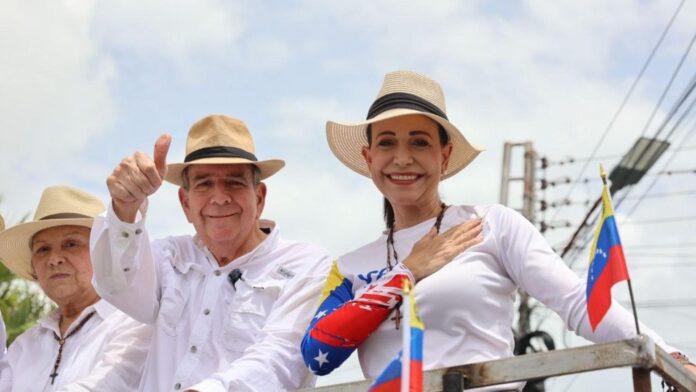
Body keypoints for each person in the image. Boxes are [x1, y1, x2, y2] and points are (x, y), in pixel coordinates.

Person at [301, 70, 695, 389]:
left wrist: (670, 357)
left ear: (445, 154)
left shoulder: (492, 225)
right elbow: (318, 353)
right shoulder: (350, 267)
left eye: (419, 143)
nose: (402, 158)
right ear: (370, 158)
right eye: (387, 144)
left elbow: (578, 303)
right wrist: (407, 273)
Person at [90, 114, 332, 391]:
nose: (219, 197)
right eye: (204, 183)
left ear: (260, 197)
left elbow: (283, 356)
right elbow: (113, 284)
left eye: (235, 182)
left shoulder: (305, 264)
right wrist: (124, 207)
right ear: (185, 203)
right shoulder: (168, 257)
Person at [0, 185, 151, 391]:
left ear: (103, 253)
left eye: (71, 244)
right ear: (33, 267)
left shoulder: (132, 323)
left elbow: (110, 384)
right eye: (43, 249)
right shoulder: (24, 347)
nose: (54, 259)